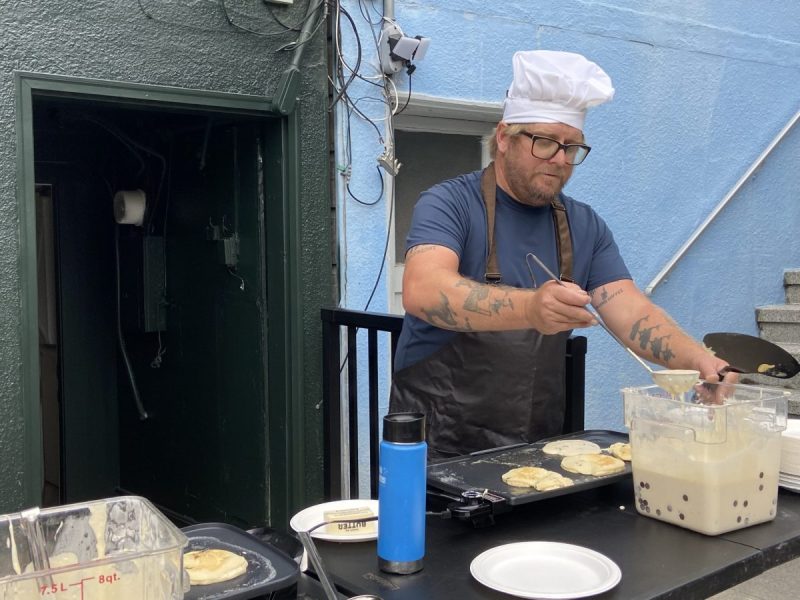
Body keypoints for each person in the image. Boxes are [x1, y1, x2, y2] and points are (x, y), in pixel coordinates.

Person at [389, 50, 733, 459]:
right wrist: (532, 307)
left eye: (571, 148)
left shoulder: (584, 225)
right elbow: (425, 290)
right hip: (436, 446)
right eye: (544, 142)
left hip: (538, 444)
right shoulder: (449, 203)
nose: (559, 159)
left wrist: (700, 360)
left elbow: (629, 310)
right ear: (503, 137)